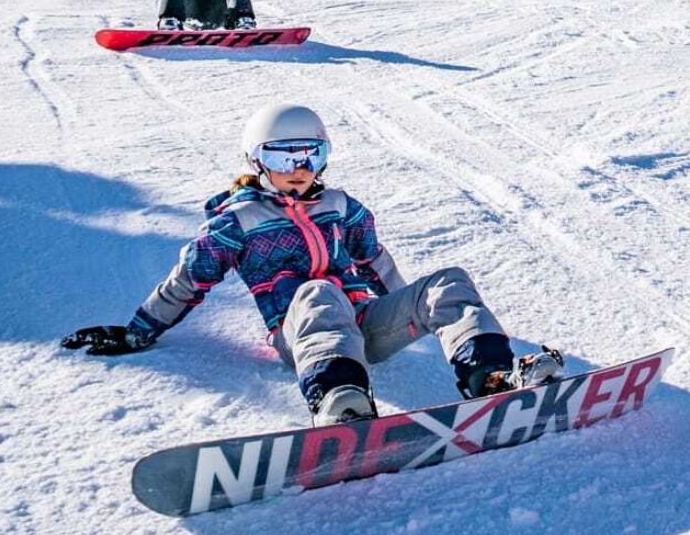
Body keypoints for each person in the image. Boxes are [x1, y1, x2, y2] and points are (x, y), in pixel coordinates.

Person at [61, 103, 562, 424]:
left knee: (448, 282)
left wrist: (410, 314)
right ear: (257, 162)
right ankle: (339, 398)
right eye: (282, 158)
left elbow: (374, 260)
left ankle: (491, 378)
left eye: (310, 155)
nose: (298, 169)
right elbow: (188, 280)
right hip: (299, 336)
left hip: (364, 324)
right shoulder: (237, 222)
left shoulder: (342, 207)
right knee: (318, 291)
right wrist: (137, 331)